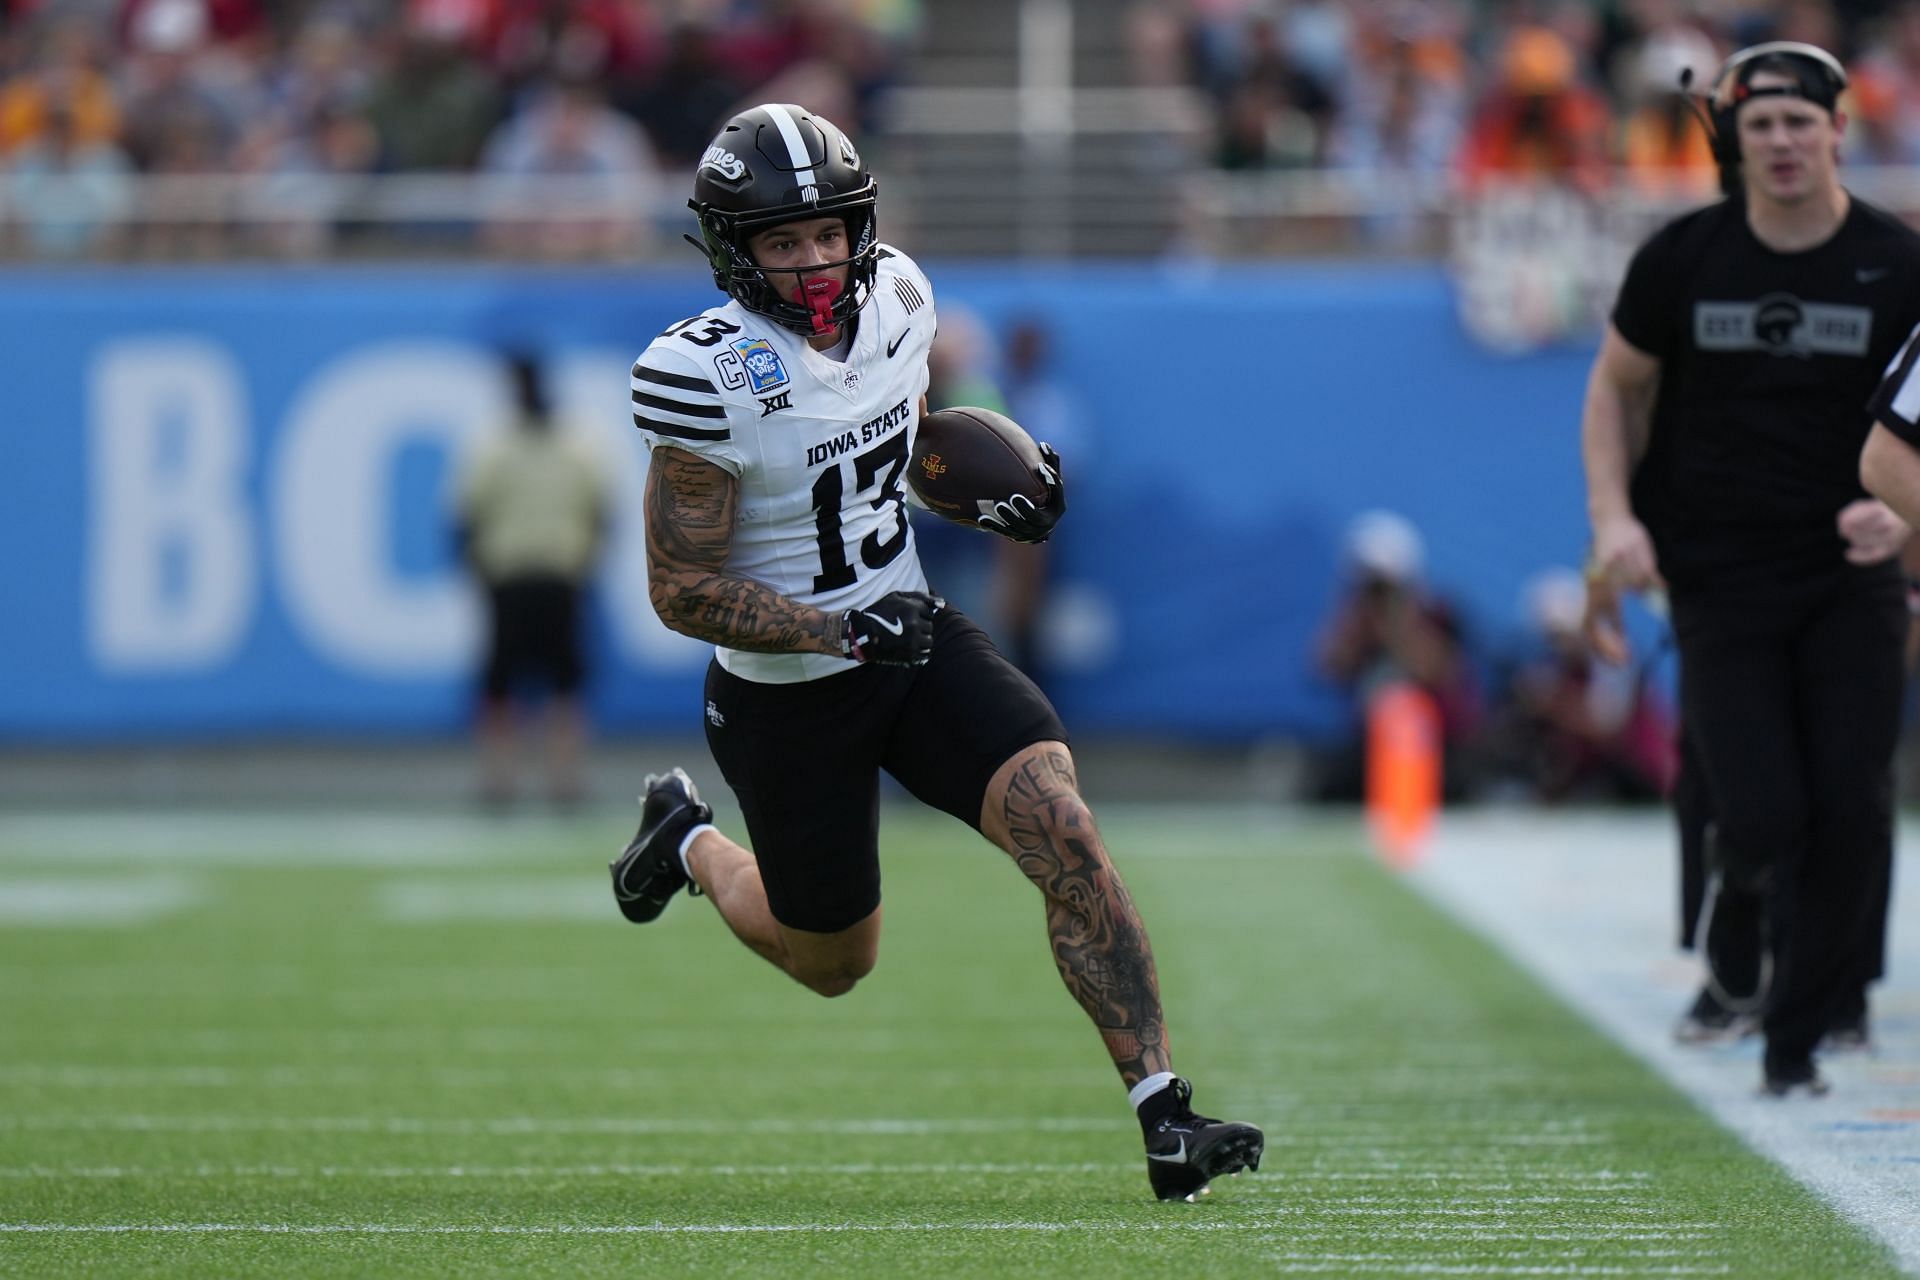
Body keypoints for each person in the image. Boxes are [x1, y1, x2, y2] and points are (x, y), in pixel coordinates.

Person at [610, 103, 1262, 1202]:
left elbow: (898, 446)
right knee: (831, 961)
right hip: (787, 690)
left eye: (828, 232)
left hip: (909, 635)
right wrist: (836, 628)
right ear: (734, 250)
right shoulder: (705, 376)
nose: (816, 260)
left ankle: (1164, 1112)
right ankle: (689, 844)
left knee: (1062, 823)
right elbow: (680, 589)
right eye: (783, 239)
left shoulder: (902, 299)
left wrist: (988, 484)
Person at [1581, 41, 1919, 1097]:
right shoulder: (1684, 256)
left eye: (1799, 122)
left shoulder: (1900, 263)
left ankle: (1796, 1035)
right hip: (1717, 571)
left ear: (1837, 131)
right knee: (1763, 804)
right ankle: (1737, 887)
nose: (1781, 141)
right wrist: (1613, 519)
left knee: (1853, 805)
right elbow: (1613, 391)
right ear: (1735, 134)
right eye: (1761, 123)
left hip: (1852, 570)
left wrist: (1902, 521)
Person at [456, 350, 612, 808]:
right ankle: (558, 782)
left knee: (517, 685)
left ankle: (506, 783)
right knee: (552, 685)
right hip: (555, 579)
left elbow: (466, 518)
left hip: (515, 579)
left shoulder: (495, 447)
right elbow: (602, 513)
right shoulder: (577, 444)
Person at [1309, 510, 1481, 804]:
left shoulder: (1437, 614)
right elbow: (1324, 666)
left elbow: (1439, 671)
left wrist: (1396, 625)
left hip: (1435, 746)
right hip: (1371, 745)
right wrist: (1355, 629)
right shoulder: (1358, 619)